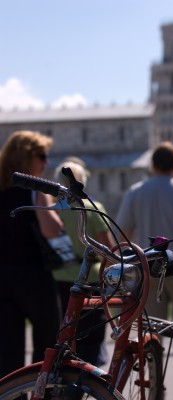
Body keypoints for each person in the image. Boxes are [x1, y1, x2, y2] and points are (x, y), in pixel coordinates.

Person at [116, 141, 173, 399]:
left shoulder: (135, 192)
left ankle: (154, 383)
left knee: (149, 332)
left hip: (148, 271)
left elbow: (125, 234)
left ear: (152, 165)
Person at [0, 130, 63, 378]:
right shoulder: (34, 190)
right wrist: (41, 197)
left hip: (2, 278)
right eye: (42, 156)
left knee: (7, 353)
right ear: (26, 158)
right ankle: (42, 393)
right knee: (48, 345)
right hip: (34, 277)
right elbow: (52, 230)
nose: (46, 162)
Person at [53, 158, 114, 366]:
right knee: (91, 336)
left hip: (58, 277)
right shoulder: (93, 207)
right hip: (91, 278)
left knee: (64, 334)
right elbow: (108, 249)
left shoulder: (52, 210)